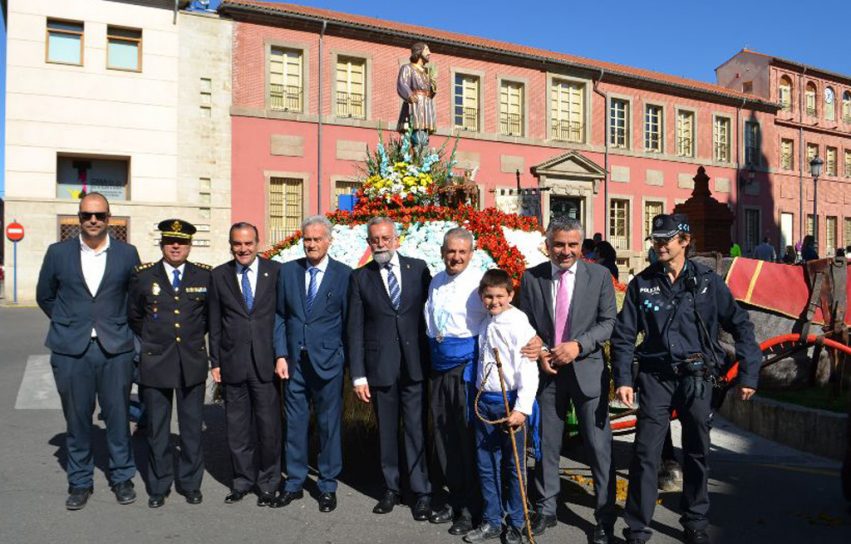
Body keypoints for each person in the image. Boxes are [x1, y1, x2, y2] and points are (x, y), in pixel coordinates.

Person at [612, 213, 761, 544]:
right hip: (655, 377)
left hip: (697, 377)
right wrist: (622, 378)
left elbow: (741, 325)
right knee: (645, 453)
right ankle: (637, 527)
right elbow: (623, 335)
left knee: (697, 451)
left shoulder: (708, 283)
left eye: (666, 240)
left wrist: (749, 374)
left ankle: (695, 519)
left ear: (685, 241)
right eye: (655, 240)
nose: (659, 246)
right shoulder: (642, 283)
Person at [36, 192, 141, 510]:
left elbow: (134, 299)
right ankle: (80, 482)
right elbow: (45, 296)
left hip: (115, 348)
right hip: (71, 350)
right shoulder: (58, 253)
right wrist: (70, 322)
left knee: (119, 417)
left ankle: (122, 477)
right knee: (78, 419)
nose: (93, 220)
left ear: (109, 219)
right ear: (78, 218)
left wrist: (118, 325)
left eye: (99, 215)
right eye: (86, 215)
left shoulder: (127, 253)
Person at [515, 218, 618, 543]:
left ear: (581, 245)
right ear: (548, 245)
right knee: (547, 443)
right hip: (547, 375)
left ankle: (604, 516)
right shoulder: (532, 278)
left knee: (598, 446)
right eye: (559, 244)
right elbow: (524, 321)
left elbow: (608, 322)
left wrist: (578, 345)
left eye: (573, 245)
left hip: (587, 371)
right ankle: (546, 508)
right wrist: (541, 349)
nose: (566, 251)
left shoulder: (600, 276)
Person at [347, 216, 433, 520]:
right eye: (375, 240)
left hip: (415, 366)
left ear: (396, 239)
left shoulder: (418, 269)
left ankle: (421, 491)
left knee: (415, 430)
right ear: (368, 243)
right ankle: (391, 489)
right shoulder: (360, 278)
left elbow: (431, 315)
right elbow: (354, 329)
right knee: (387, 433)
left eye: (386, 238)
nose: (381, 244)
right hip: (380, 367)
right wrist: (358, 375)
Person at [128, 219, 211, 508]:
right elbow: (134, 316)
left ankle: (190, 484)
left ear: (189, 245)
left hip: (192, 362)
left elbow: (208, 319)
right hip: (155, 363)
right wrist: (154, 341)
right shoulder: (142, 276)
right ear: (162, 244)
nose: (176, 246)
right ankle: (159, 485)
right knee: (158, 431)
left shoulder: (204, 276)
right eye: (170, 241)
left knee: (191, 430)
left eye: (182, 242)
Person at [273, 216, 351, 512]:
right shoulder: (289, 272)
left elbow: (348, 321)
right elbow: (280, 315)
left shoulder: (343, 275)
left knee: (329, 425)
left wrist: (342, 355)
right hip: (294, 363)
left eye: (317, 239)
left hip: (328, 361)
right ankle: (293, 482)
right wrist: (281, 354)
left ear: (329, 241)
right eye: (307, 239)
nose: (311, 244)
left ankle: (328, 485)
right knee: (294, 424)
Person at [208, 222, 282, 507]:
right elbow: (214, 322)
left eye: (248, 243)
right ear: (231, 245)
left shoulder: (275, 272)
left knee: (268, 429)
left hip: (266, 363)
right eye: (238, 244)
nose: (243, 249)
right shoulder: (218, 276)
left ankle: (268, 484)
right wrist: (215, 361)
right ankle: (241, 482)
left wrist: (280, 355)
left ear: (258, 242)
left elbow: (281, 317)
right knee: (237, 428)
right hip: (232, 363)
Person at [463, 269, 538, 544]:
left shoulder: (518, 323)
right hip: (486, 401)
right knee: (486, 464)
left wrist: (521, 409)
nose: (494, 302)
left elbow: (529, 369)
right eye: (488, 296)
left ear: (510, 295)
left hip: (511, 403)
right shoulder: (487, 319)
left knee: (513, 466)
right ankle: (492, 519)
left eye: (499, 296)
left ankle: (516, 522)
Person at [423, 227, 485, 534]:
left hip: (466, 369)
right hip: (439, 368)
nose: (455, 257)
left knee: (466, 438)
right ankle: (454, 497)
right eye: (451, 251)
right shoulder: (436, 281)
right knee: (444, 437)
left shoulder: (479, 284)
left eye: (462, 252)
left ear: (471, 254)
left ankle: (471, 508)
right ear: (442, 252)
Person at [397, 42, 437, 153]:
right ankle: (414, 153)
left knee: (424, 134)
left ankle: (422, 153)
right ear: (419, 52)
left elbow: (430, 92)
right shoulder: (407, 68)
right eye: (427, 50)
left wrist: (433, 86)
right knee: (414, 132)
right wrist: (409, 95)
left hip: (426, 105)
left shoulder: (425, 73)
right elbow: (402, 83)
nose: (429, 53)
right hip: (415, 105)